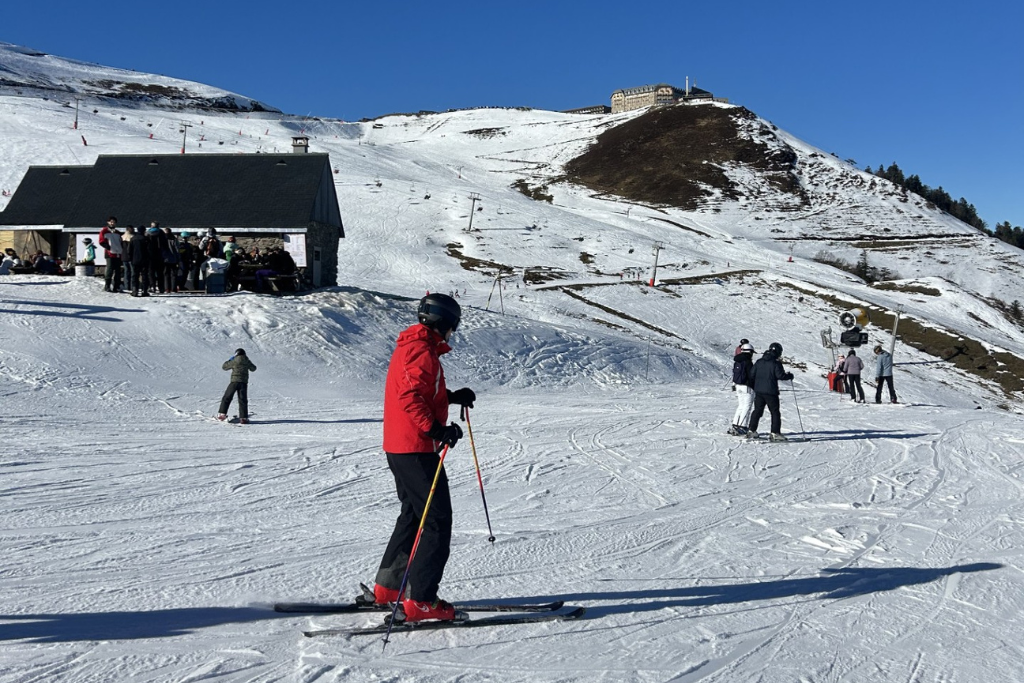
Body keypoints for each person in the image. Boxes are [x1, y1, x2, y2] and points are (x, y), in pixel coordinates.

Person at [371, 293, 476, 623]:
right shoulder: (422, 350)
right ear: (444, 324)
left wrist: (451, 396)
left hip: (401, 446)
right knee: (436, 520)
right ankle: (422, 601)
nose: (452, 335)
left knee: (413, 516)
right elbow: (411, 396)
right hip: (416, 448)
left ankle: (388, 589)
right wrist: (435, 429)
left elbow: (422, 390)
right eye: (452, 328)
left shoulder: (412, 345)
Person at [746, 342, 794, 441]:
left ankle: (751, 430)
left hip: (759, 391)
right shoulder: (775, 363)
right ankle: (775, 433)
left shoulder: (759, 361)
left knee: (757, 411)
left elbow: (751, 374)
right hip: (771, 392)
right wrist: (789, 376)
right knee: (775, 412)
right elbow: (780, 375)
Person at [218, 348, 257, 423]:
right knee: (242, 400)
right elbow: (253, 368)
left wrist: (230, 360)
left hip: (234, 382)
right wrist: (248, 362)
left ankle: (222, 414)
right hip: (243, 383)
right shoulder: (246, 360)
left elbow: (224, 367)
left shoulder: (234, 360)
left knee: (227, 397)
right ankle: (243, 418)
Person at [728, 342, 755, 436]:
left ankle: (735, 424)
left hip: (738, 385)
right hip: (746, 387)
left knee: (741, 406)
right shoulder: (748, 361)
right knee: (747, 407)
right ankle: (743, 427)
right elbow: (752, 375)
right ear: (749, 352)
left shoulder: (737, 360)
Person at [98, 216, 123, 293]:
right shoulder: (104, 231)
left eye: (114, 222)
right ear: (108, 222)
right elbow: (101, 241)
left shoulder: (118, 233)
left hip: (118, 253)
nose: (112, 223)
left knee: (118, 271)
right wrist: (108, 248)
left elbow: (121, 242)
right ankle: (107, 286)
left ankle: (116, 286)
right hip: (110, 254)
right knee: (109, 270)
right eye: (111, 222)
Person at [127, 227, 150, 296]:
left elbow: (129, 250)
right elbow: (150, 250)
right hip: (145, 260)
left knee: (135, 276)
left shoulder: (133, 239)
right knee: (145, 275)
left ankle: (135, 290)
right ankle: (144, 291)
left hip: (135, 260)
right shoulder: (146, 239)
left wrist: (130, 258)